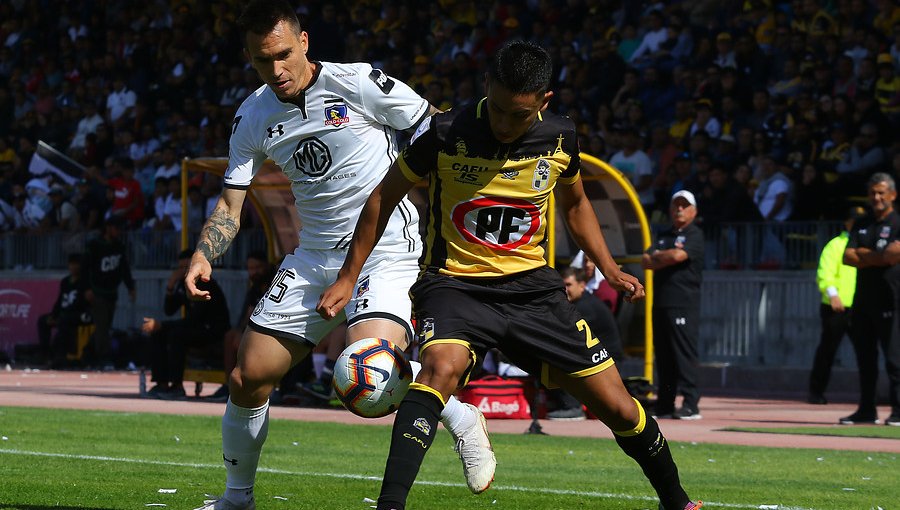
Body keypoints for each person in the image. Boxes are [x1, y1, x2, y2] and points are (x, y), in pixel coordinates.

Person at [319, 40, 699, 510]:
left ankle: (677, 501)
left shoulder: (560, 137)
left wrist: (610, 267)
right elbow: (383, 196)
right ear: (486, 88)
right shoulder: (445, 131)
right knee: (439, 370)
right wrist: (347, 276)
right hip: (455, 285)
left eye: (517, 115)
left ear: (544, 102)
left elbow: (577, 204)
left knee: (619, 406)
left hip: (534, 292)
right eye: (497, 109)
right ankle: (389, 505)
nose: (503, 124)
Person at [184, 3, 494, 509]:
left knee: (367, 374)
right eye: (264, 62)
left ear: (304, 41)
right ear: (250, 59)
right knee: (247, 377)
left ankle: (458, 413)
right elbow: (231, 202)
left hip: (386, 246)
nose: (277, 70)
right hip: (315, 255)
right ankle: (237, 499)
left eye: (284, 55)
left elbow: (432, 127)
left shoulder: (358, 83)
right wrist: (204, 254)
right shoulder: (252, 115)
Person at [642, 190, 705, 420]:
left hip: (683, 304)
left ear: (693, 210)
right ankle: (665, 404)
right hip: (660, 303)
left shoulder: (695, 234)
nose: (679, 209)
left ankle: (690, 403)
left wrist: (662, 256)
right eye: (676, 205)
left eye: (684, 205)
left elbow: (678, 257)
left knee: (684, 354)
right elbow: (646, 261)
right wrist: (666, 255)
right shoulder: (663, 234)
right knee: (664, 355)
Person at [843, 173, 900, 425]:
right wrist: (878, 256)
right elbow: (848, 256)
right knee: (865, 359)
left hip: (892, 300)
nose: (876, 198)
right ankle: (867, 410)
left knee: (894, 358)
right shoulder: (861, 222)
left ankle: (898, 410)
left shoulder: (898, 221)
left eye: (881, 192)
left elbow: (892, 255)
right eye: (872, 193)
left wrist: (866, 256)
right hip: (863, 300)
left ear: (893, 195)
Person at [142, 250, 230, 399]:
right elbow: (169, 310)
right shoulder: (184, 285)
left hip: (212, 330)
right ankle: (162, 383)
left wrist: (162, 324)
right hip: (196, 328)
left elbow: (195, 320)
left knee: (176, 335)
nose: (183, 271)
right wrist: (170, 285)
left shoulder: (205, 284)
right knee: (158, 333)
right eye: (180, 268)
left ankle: (177, 386)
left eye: (186, 268)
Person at [548, 267, 626, 421]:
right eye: (562, 286)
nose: (565, 290)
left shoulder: (586, 306)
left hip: (609, 360)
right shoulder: (576, 303)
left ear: (582, 285)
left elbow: (564, 336)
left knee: (559, 356)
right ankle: (558, 402)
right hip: (595, 356)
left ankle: (572, 407)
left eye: (569, 285)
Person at [808, 206, 865, 405]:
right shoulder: (836, 245)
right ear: (847, 223)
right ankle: (815, 391)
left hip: (859, 306)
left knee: (866, 352)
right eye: (854, 220)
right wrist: (833, 295)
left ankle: (868, 397)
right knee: (828, 350)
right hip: (836, 307)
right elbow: (825, 272)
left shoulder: (865, 244)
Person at [206, 251, 274, 403]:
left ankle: (259, 386)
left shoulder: (274, 285)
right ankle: (230, 385)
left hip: (272, 331)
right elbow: (247, 315)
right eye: (250, 268)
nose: (254, 272)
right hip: (255, 331)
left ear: (267, 266)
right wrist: (240, 331)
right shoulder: (254, 289)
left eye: (257, 267)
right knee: (231, 336)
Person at [83, 215, 135, 368]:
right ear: (108, 228)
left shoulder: (118, 246)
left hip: (111, 291)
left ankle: (89, 354)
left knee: (104, 326)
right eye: (116, 228)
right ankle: (102, 357)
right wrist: (87, 288)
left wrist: (130, 286)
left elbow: (123, 268)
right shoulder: (95, 245)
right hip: (98, 291)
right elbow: (85, 268)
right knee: (102, 325)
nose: (119, 232)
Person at [37, 253, 90, 366]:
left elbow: (84, 303)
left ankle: (61, 355)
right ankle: (45, 354)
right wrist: (53, 315)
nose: (74, 267)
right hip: (63, 314)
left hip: (78, 315)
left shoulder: (85, 281)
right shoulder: (65, 281)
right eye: (72, 264)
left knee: (64, 321)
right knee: (43, 320)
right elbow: (60, 300)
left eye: (77, 264)